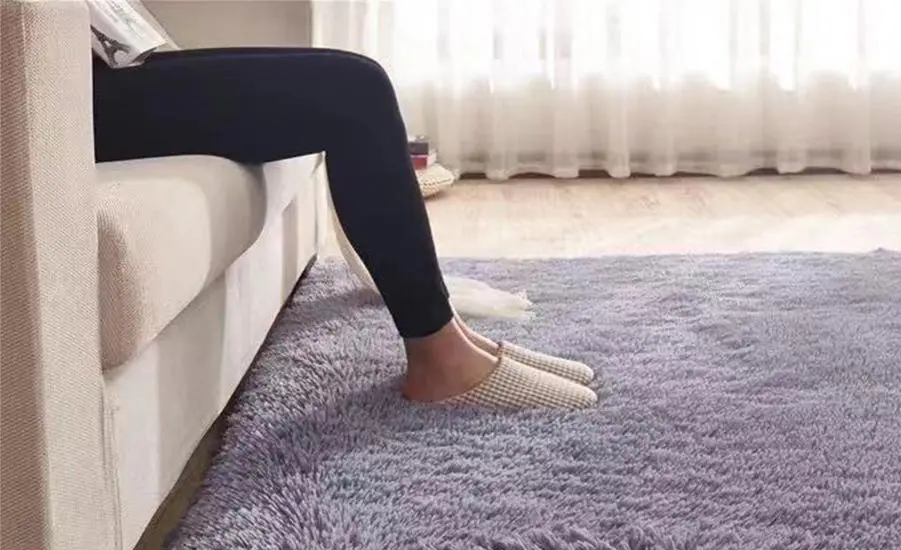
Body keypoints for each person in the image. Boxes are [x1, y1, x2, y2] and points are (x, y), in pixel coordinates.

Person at [92, 47, 597, 410]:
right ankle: (439, 357)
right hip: (67, 91)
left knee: (358, 74)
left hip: (96, 55)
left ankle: (452, 334)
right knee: (355, 91)